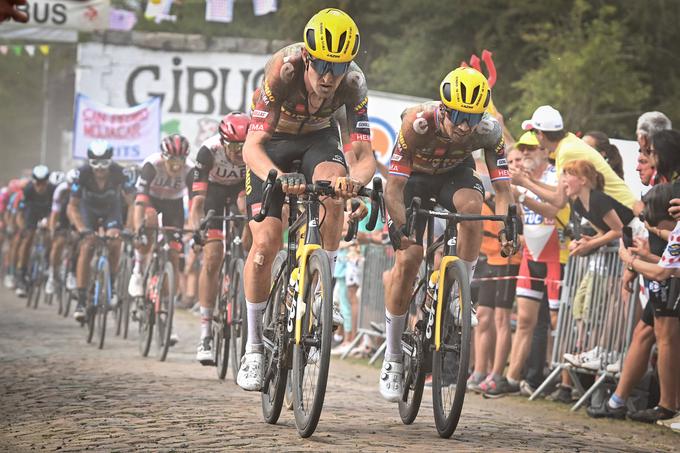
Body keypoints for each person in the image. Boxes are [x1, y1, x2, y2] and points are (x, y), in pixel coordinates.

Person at [237, 8, 375, 391]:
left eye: (339, 67)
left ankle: (321, 285)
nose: (330, 78)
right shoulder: (283, 70)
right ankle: (252, 348)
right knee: (265, 244)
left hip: (318, 140)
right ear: (308, 59)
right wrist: (277, 178)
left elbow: (364, 156)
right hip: (273, 145)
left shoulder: (354, 83)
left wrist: (355, 183)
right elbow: (252, 146)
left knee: (333, 185)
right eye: (323, 67)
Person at [379, 66, 516, 402]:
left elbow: (502, 190)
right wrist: (400, 233)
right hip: (414, 180)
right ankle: (393, 356)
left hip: (454, 175)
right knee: (409, 259)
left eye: (472, 117)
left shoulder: (488, 130)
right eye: (457, 116)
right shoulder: (417, 123)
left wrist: (506, 229)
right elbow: (394, 189)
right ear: (443, 108)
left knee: (473, 207)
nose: (465, 126)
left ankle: (458, 291)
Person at [189, 113, 249, 365]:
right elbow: (198, 203)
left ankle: (241, 271)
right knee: (213, 257)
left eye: (242, 147)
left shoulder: (253, 149)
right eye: (233, 146)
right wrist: (197, 230)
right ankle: (205, 334)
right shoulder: (208, 151)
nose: (237, 152)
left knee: (247, 212)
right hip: (212, 193)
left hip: (238, 191)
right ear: (223, 142)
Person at [619, 183, 680, 424]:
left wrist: (630, 261)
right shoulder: (674, 233)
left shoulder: (677, 233)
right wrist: (645, 255)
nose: (652, 227)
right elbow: (670, 268)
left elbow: (661, 273)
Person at [514, 105, 639, 215]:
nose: (533, 137)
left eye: (532, 132)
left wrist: (525, 183)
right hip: (622, 210)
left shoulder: (566, 152)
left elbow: (559, 201)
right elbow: (561, 191)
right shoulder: (568, 141)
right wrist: (533, 181)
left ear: (540, 134)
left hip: (624, 211)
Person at [469, 146, 522, 392]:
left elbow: (517, 221)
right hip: (489, 261)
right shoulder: (483, 188)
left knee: (502, 319)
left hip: (508, 262)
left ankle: (497, 373)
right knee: (483, 318)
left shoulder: (510, 191)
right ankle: (479, 371)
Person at [68, 140, 135, 322]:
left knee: (115, 242)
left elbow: (132, 204)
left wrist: (128, 228)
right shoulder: (81, 173)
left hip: (110, 209)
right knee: (87, 246)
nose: (99, 170)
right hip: (87, 209)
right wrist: (81, 228)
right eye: (95, 165)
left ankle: (111, 286)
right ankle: (81, 301)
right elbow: (72, 206)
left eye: (104, 165)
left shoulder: (120, 173)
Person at [128, 135, 193, 297]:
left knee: (174, 252)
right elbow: (140, 201)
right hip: (151, 200)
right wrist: (138, 230)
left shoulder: (190, 169)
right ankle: (138, 271)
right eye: (172, 159)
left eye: (180, 160)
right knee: (149, 222)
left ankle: (163, 300)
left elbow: (194, 203)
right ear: (163, 156)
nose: (176, 165)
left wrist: (193, 229)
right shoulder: (152, 164)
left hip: (174, 203)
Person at [14, 165, 55, 297]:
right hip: (31, 214)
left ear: (47, 182)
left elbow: (55, 211)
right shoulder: (28, 190)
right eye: (38, 183)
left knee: (52, 237)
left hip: (47, 213)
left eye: (43, 183)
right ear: (33, 182)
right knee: (28, 239)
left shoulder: (53, 190)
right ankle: (21, 273)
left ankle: (48, 265)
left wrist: (51, 226)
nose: (40, 186)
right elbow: (20, 213)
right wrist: (23, 228)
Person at [45, 170, 75, 296]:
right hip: (62, 215)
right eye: (70, 184)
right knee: (58, 243)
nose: (72, 187)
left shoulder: (83, 189)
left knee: (77, 242)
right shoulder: (61, 190)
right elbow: (55, 212)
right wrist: (52, 229)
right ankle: (52, 275)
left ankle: (71, 273)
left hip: (77, 215)